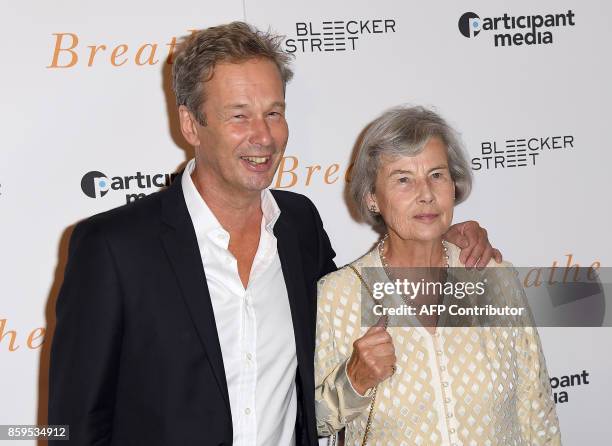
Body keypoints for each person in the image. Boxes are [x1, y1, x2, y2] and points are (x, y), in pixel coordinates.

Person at [48, 23, 500, 446]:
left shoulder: (299, 224)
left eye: (273, 113)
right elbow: (69, 426)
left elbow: (356, 302)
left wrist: (438, 236)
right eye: (239, 116)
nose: (262, 137)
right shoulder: (113, 248)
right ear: (191, 125)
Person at [314, 106, 561, 445]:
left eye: (437, 175)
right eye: (403, 179)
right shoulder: (336, 296)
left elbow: (538, 413)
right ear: (372, 198)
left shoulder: (495, 279)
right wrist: (352, 382)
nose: (426, 194)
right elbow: (311, 423)